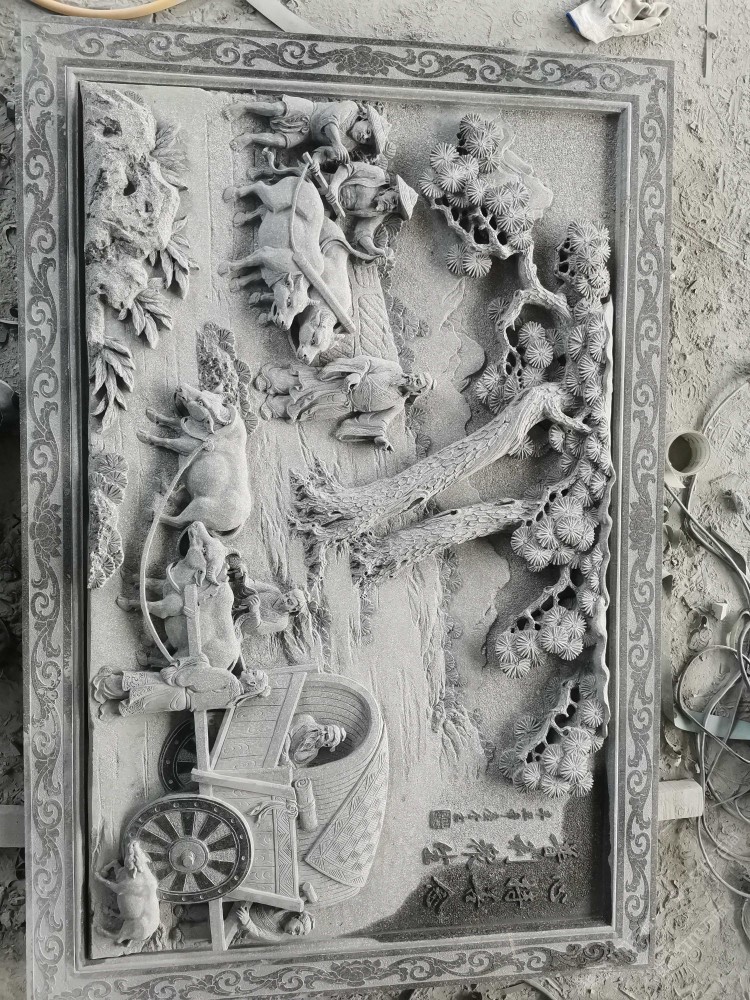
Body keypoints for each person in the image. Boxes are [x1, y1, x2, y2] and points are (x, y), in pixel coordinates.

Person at [230, 97, 395, 166]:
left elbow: (325, 152)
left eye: (367, 140)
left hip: (306, 134)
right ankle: (244, 106)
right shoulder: (351, 108)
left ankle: (250, 137)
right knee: (277, 109)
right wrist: (337, 143)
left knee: (280, 142)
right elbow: (329, 121)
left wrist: (316, 161)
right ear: (365, 119)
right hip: (309, 111)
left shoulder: (349, 146)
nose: (364, 136)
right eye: (368, 131)